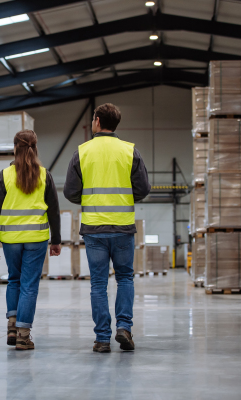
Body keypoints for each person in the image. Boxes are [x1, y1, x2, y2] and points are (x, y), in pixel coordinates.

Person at [64, 103, 150, 353]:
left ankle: (102, 338)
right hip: (123, 228)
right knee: (124, 278)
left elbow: (70, 192)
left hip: (94, 229)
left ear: (98, 121)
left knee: (98, 284)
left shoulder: (82, 151)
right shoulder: (129, 151)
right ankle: (124, 327)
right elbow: (143, 188)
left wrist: (92, 199)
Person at [0, 130, 61, 351]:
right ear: (35, 148)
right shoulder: (44, 175)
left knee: (14, 280)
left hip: (10, 239)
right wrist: (56, 240)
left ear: (14, 148)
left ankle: (12, 326)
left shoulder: (4, 175)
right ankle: (23, 335)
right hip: (36, 239)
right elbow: (54, 211)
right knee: (29, 285)